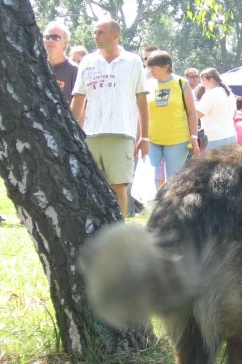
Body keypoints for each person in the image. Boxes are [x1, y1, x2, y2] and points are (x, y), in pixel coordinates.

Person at [70, 19, 149, 219]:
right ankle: (91, 227)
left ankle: (118, 232)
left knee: (119, 186)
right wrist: (70, 130)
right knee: (90, 185)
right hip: (91, 134)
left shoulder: (133, 61)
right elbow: (78, 98)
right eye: (95, 32)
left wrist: (145, 136)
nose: (96, 37)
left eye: (101, 33)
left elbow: (141, 100)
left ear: (115, 35)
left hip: (122, 133)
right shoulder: (87, 61)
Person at [146, 50, 200, 188]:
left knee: (174, 180)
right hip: (152, 139)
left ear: (165, 67)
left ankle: (173, 207)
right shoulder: (148, 84)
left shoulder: (182, 83)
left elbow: (192, 112)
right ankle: (157, 205)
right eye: (148, 67)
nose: (150, 70)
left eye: (153, 67)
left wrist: (194, 136)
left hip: (177, 140)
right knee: (152, 177)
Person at [196, 68, 237, 149]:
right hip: (231, 135)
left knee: (214, 162)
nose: (202, 84)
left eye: (203, 80)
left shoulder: (210, 94)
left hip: (215, 137)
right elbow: (234, 114)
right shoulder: (230, 93)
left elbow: (198, 114)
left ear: (211, 80)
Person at [42, 21, 78, 103]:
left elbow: (81, 107)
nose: (50, 40)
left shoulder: (74, 70)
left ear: (65, 43)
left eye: (56, 37)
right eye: (47, 37)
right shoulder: (37, 66)